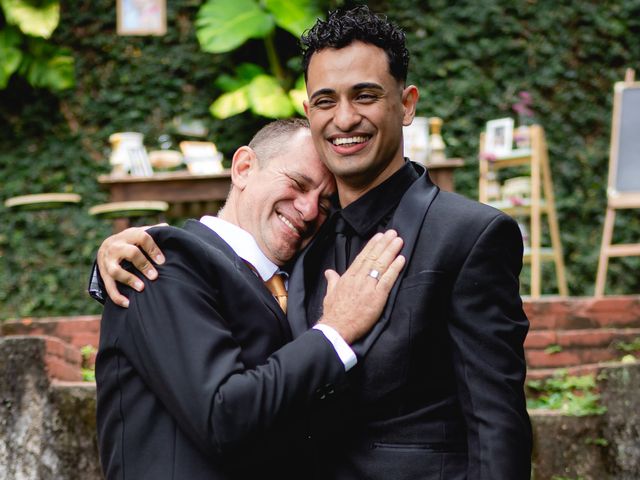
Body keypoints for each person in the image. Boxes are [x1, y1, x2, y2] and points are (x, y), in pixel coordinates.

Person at [95, 6, 533, 479]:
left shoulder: (469, 234)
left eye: (364, 95)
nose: (345, 118)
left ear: (406, 104)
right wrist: (110, 261)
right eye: (326, 100)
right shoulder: (303, 245)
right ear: (309, 110)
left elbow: (497, 427)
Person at [93, 118, 406, 479]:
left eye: (324, 203)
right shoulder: (162, 260)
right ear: (243, 168)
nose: (308, 211)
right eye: (297, 184)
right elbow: (223, 416)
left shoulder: (306, 279)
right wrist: (335, 331)